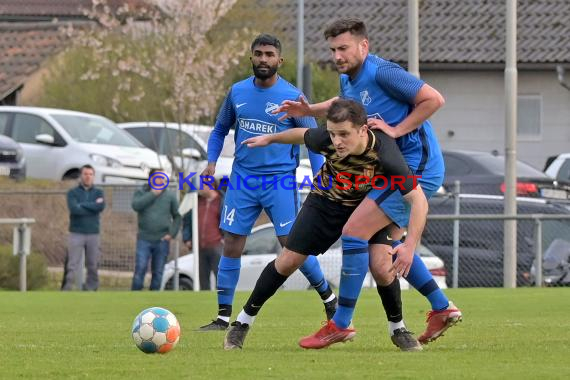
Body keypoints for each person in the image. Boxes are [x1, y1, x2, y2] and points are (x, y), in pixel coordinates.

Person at [274, 18, 462, 346]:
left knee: (354, 231)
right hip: (390, 169)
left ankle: (341, 323)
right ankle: (442, 307)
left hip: (415, 168)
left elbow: (434, 99)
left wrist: (396, 129)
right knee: (381, 258)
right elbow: (342, 106)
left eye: (343, 48)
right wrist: (310, 109)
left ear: (364, 46)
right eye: (333, 49)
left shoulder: (382, 72)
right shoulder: (350, 78)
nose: (337, 55)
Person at [223, 98, 428, 350]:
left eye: (344, 134)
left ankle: (398, 329)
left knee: (382, 264)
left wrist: (409, 246)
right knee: (288, 261)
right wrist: (270, 139)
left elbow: (418, 200)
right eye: (332, 134)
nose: (337, 141)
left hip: (365, 208)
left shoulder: (385, 152)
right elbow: (302, 134)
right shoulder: (327, 138)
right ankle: (241, 324)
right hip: (325, 201)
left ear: (363, 130)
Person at [198, 34, 337, 331]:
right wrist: (211, 161)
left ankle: (328, 297)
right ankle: (223, 317)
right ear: (251, 57)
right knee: (232, 242)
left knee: (292, 245)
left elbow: (312, 140)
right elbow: (220, 129)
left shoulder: (292, 97)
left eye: (269, 54)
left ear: (279, 60)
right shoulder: (237, 92)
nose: (264, 59)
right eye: (259, 54)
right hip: (242, 180)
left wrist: (320, 176)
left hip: (279, 182)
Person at [131, 169, 181, 290]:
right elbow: (136, 205)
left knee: (158, 272)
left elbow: (178, 216)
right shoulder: (141, 192)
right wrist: (153, 194)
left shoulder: (170, 195)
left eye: (163, 177)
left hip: (162, 240)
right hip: (144, 238)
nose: (161, 180)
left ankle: (154, 298)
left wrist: (171, 234)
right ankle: (133, 296)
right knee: (140, 268)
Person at [62, 164, 105, 291]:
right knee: (72, 264)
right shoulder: (73, 193)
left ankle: (91, 288)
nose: (88, 177)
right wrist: (92, 206)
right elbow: (74, 209)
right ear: (81, 175)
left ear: (93, 176)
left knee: (92, 264)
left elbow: (100, 207)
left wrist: (83, 206)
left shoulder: (99, 192)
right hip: (76, 232)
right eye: (85, 174)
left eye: (90, 174)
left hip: (93, 233)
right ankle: (68, 287)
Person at [182, 183, 224, 291]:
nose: (199, 188)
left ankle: (222, 301)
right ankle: (204, 299)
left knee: (220, 276)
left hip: (217, 245)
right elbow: (186, 220)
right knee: (202, 278)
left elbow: (228, 221)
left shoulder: (222, 201)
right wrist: (187, 238)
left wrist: (225, 238)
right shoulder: (197, 201)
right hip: (200, 247)